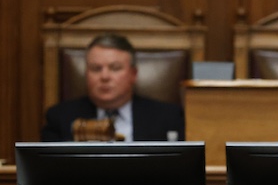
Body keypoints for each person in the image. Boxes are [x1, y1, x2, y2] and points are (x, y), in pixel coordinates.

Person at [41, 33, 185, 142]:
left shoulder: (169, 118)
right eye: (96, 69)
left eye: (115, 68)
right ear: (86, 74)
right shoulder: (60, 119)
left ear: (133, 74)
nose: (104, 76)